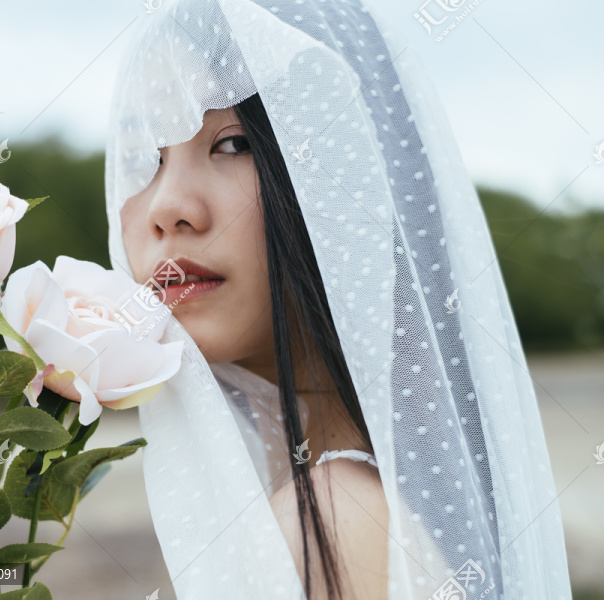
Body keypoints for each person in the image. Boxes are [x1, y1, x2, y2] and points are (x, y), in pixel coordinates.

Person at [104, 1, 573, 599]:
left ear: (346, 177)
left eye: (234, 144)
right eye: (148, 155)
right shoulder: (346, 502)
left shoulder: (332, 523)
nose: (169, 207)